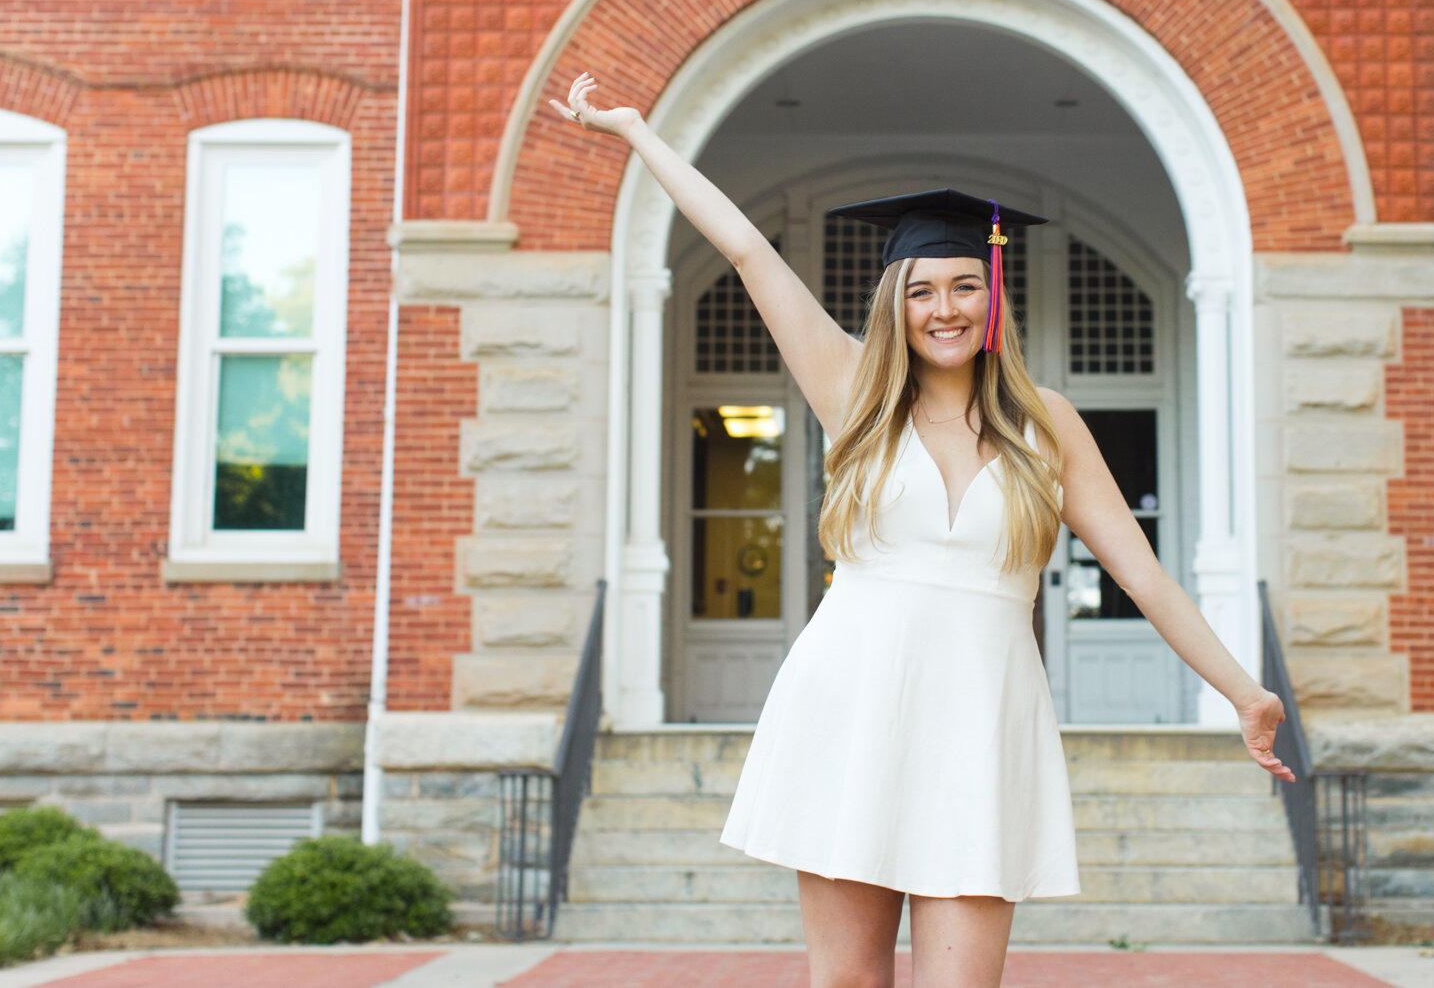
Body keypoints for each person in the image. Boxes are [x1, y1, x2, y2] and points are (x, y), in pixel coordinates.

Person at [551, 74, 1294, 988]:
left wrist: (1242, 691)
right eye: (921, 290)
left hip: (981, 720)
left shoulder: (1046, 424)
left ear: (995, 298)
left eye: (964, 286)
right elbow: (745, 249)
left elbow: (1145, 577)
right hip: (850, 701)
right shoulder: (853, 391)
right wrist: (636, 133)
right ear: (895, 303)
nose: (944, 308)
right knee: (850, 980)